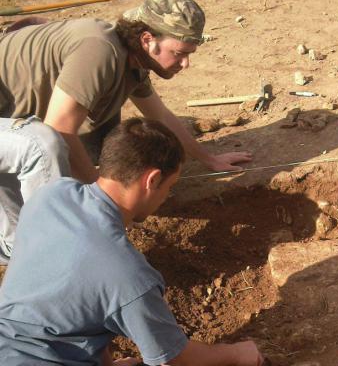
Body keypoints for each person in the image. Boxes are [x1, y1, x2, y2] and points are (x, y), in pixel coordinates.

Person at [0, 0, 252, 264]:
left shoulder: (132, 63)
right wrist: (104, 205)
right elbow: (59, 129)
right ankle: (34, 248)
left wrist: (208, 158)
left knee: (102, 140)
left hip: (13, 123)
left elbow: (161, 115)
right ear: (147, 39)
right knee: (44, 149)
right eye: (179, 53)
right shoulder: (100, 51)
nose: (185, 63)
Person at [0, 117, 265, 366]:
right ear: (152, 180)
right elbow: (177, 357)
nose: (166, 196)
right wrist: (238, 353)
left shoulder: (50, 195)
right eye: (169, 187)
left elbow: (73, 301)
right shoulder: (127, 274)